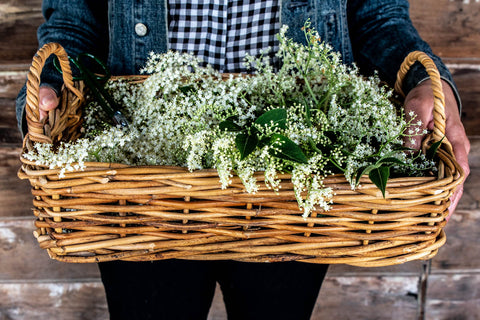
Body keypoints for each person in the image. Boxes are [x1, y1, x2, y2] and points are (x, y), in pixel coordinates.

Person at [16, 1, 470, 319]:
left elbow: (378, 17)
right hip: (139, 186)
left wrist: (426, 82)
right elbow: (74, 22)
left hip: (294, 185)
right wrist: (49, 92)